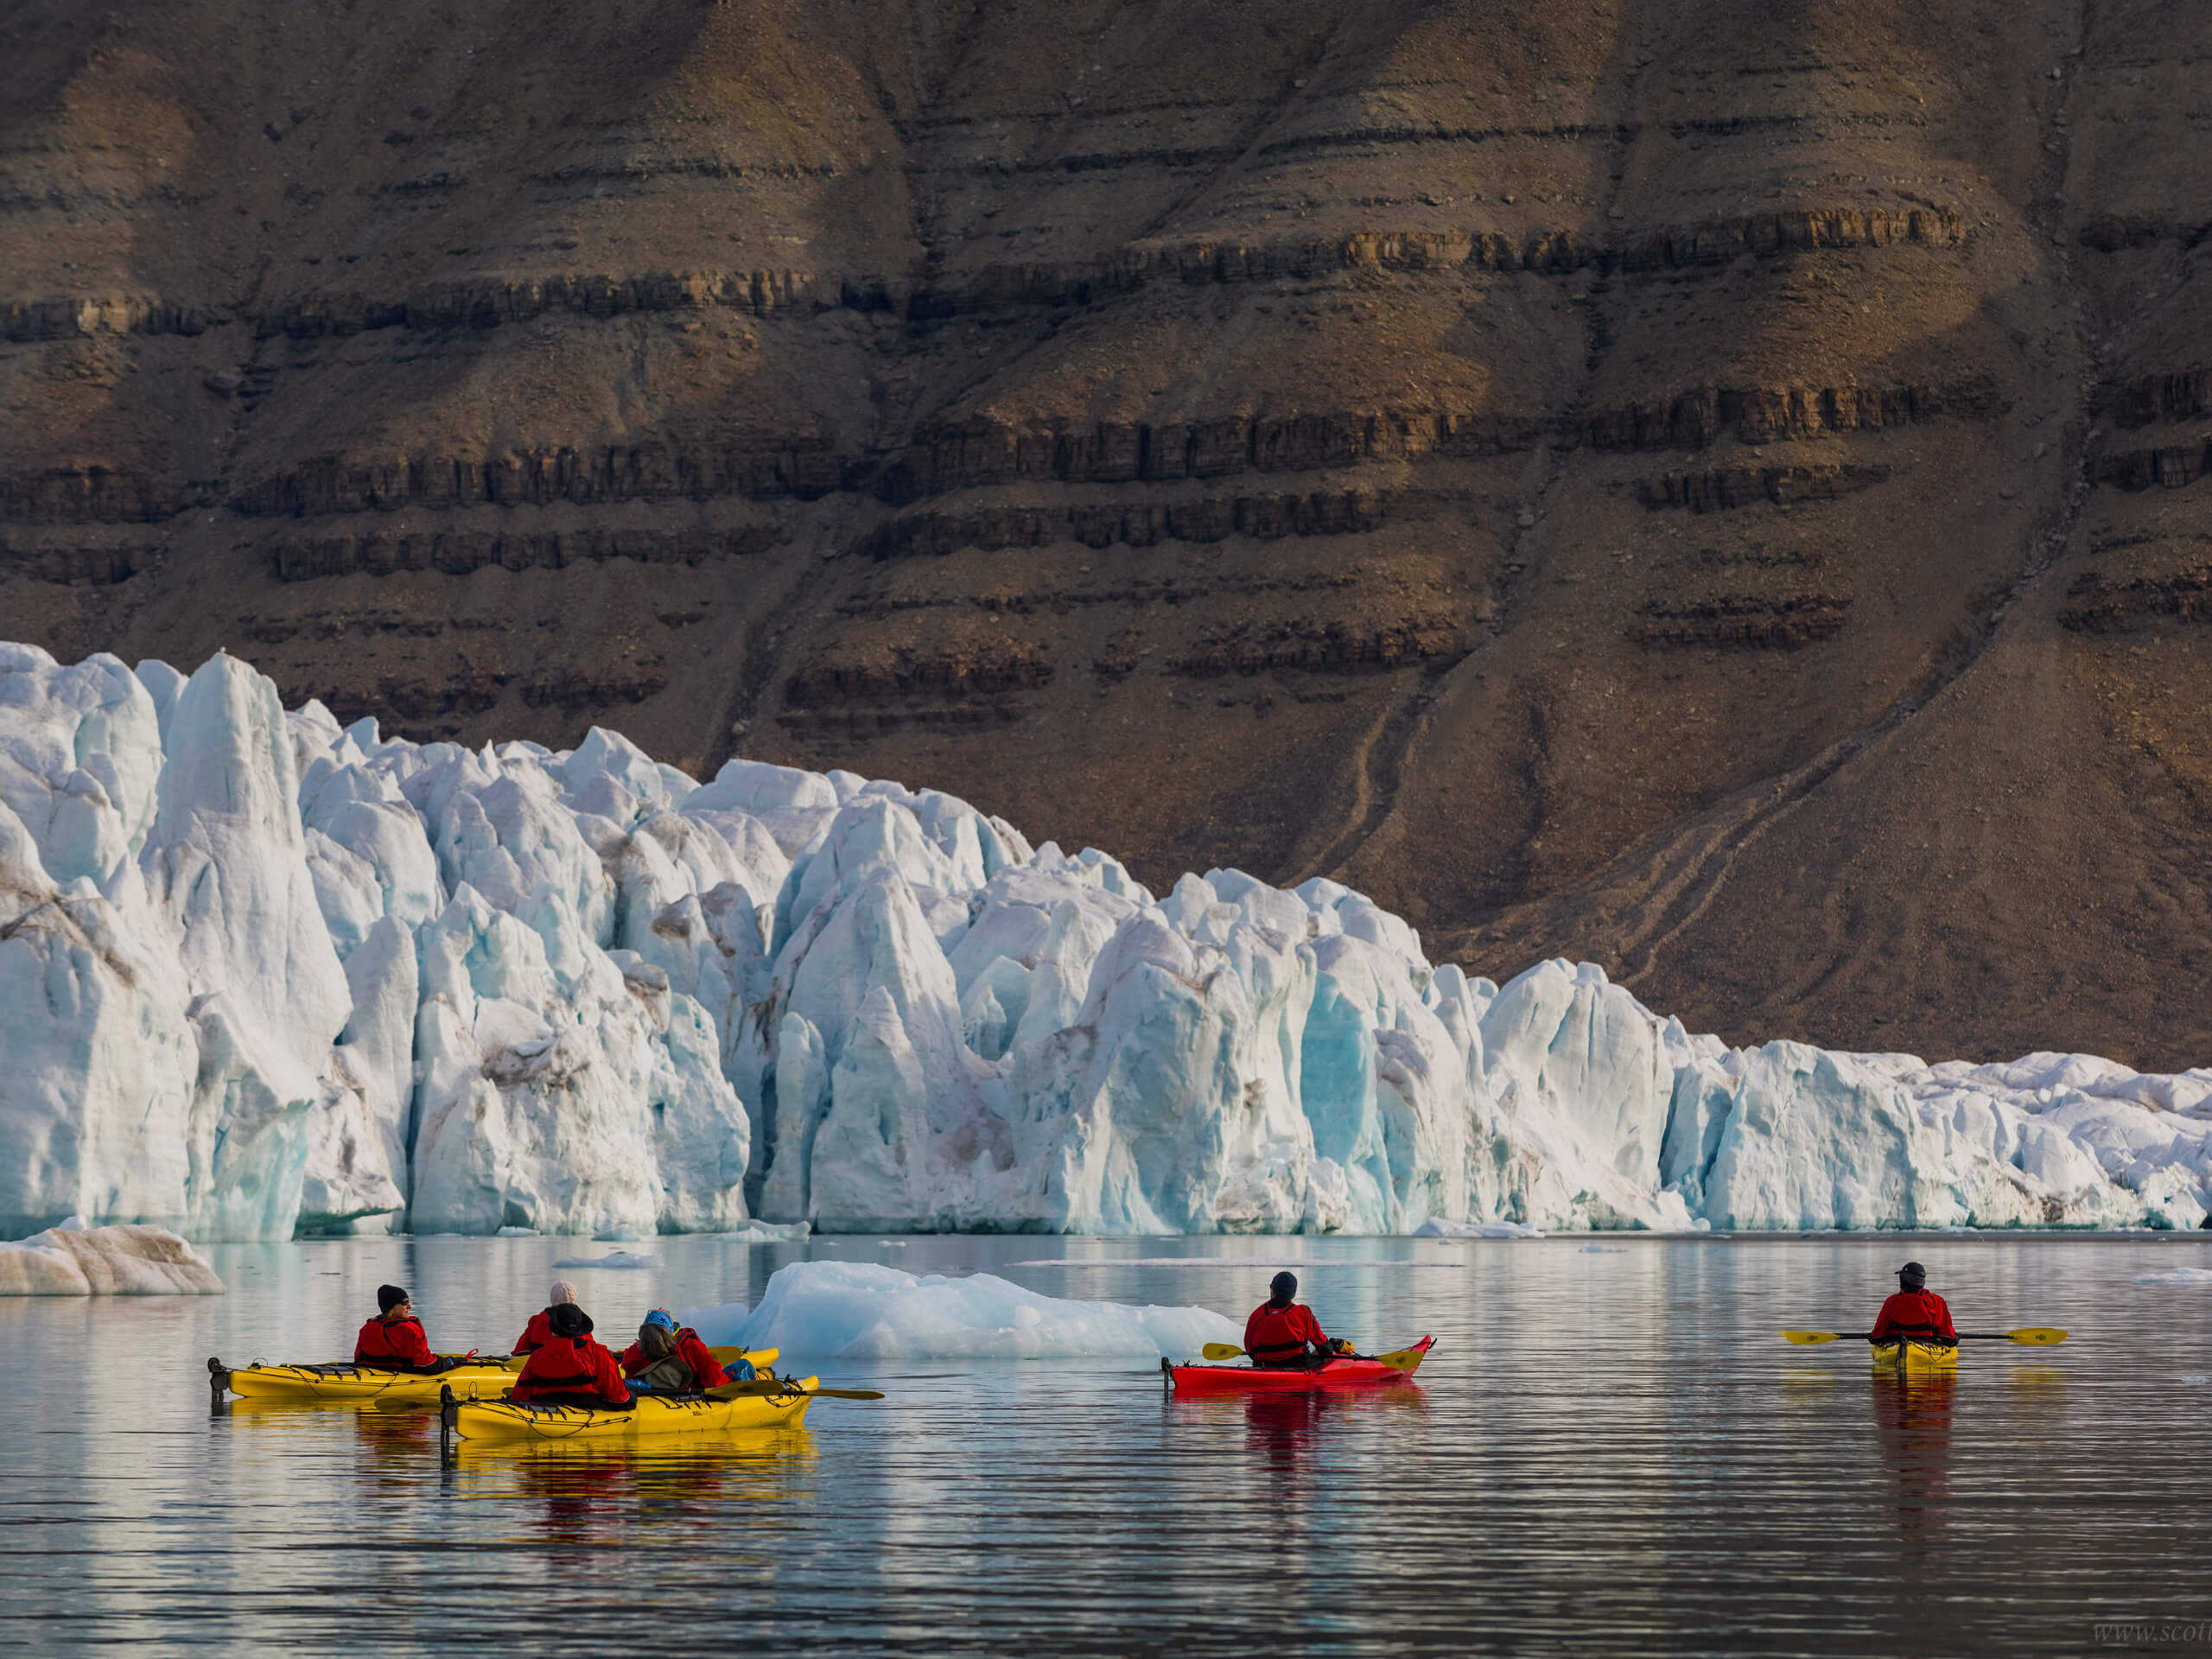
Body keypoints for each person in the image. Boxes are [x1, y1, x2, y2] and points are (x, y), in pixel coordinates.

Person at [509, 1301, 632, 1408]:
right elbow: (619, 1398)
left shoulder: (536, 1356)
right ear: (581, 1329)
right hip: (588, 1407)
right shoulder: (598, 1353)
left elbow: (519, 1396)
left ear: (553, 1328)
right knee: (632, 1397)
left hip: (544, 1407)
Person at [1244, 1271, 1352, 1369]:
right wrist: (1332, 1348)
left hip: (1263, 1366)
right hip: (1299, 1365)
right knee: (1328, 1351)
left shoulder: (1256, 1315)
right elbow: (1322, 1345)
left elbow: (1250, 1350)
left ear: (1272, 1290)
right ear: (1293, 1293)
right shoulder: (1302, 1312)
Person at [616, 1309, 736, 1394]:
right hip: (686, 1396)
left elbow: (630, 1380)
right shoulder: (692, 1348)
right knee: (741, 1366)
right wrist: (731, 1380)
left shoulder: (634, 1352)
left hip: (650, 1398)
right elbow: (715, 1383)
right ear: (670, 1331)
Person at [354, 1285, 467, 1374]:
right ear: (392, 1307)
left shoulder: (366, 1328)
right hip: (404, 1376)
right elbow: (428, 1366)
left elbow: (359, 1361)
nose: (409, 1306)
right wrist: (451, 1362)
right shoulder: (409, 1330)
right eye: (404, 1303)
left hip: (372, 1373)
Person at [1871, 1262, 1957, 1344]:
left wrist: (1873, 1339)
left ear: (1903, 1280)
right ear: (1922, 1281)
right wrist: (1955, 1339)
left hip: (1895, 1343)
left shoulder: (1891, 1301)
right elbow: (1948, 1337)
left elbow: (1877, 1336)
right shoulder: (1937, 1301)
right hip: (1928, 1345)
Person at [512, 1281, 581, 1355]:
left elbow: (519, 1351)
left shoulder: (536, 1320)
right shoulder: (581, 1323)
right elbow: (589, 1350)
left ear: (552, 1299)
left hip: (535, 1360)